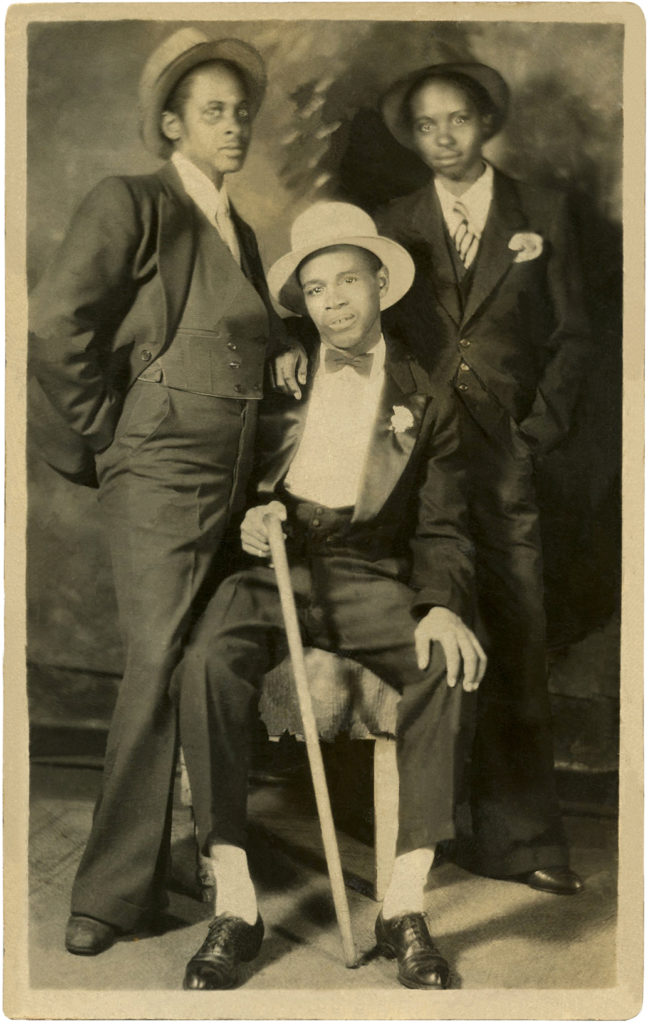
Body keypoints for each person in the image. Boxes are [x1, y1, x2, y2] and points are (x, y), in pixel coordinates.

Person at [29, 27, 302, 956]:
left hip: (234, 480)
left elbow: (248, 341)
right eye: (213, 113)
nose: (234, 127)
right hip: (158, 473)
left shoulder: (243, 228)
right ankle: (106, 898)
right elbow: (57, 325)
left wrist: (293, 341)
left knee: (200, 660)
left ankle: (194, 867)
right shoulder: (134, 202)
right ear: (172, 123)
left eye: (241, 113)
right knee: (153, 665)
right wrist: (110, 439)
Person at [174, 201, 487, 991]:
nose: (335, 301)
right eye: (316, 290)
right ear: (303, 305)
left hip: (368, 574)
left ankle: (403, 904)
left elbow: (446, 525)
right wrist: (256, 515)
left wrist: (442, 603)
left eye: (349, 280)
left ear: (381, 281)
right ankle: (238, 905)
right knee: (208, 660)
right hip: (272, 565)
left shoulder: (430, 395)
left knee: (443, 663)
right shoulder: (280, 377)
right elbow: (231, 483)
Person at [375, 62, 590, 893]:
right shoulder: (395, 220)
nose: (443, 136)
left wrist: (535, 436)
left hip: (508, 458)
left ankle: (528, 839)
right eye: (427, 125)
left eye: (458, 119)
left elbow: (574, 340)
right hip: (420, 457)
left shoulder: (543, 214)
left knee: (518, 633)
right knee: (433, 624)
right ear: (413, 135)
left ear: (487, 121)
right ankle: (427, 834)